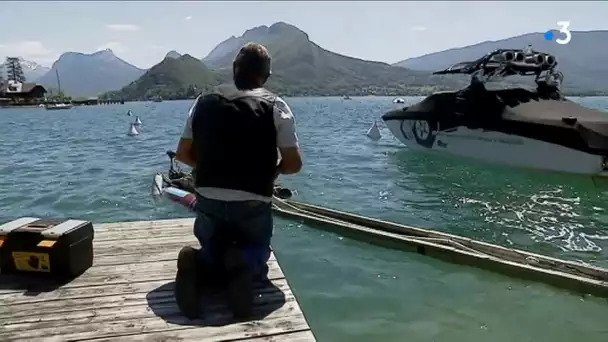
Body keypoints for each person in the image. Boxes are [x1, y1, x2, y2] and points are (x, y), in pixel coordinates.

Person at [173, 42, 303, 319]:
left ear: (234, 70)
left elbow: (183, 154)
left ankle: (200, 261)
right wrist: (273, 171)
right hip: (253, 200)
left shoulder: (203, 102)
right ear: (266, 77)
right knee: (257, 249)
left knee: (212, 245)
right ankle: (245, 262)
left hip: (208, 195)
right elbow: (294, 164)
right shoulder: (276, 105)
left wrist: (211, 167)